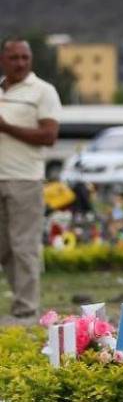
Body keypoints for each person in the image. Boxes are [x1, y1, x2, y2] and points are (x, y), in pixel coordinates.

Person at [0, 38, 61, 318]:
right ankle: (20, 302)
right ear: (3, 59)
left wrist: (6, 127)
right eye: (14, 57)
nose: (20, 63)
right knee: (5, 248)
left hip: (24, 179)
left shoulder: (43, 91)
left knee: (23, 247)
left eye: (25, 57)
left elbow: (49, 136)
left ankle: (26, 310)